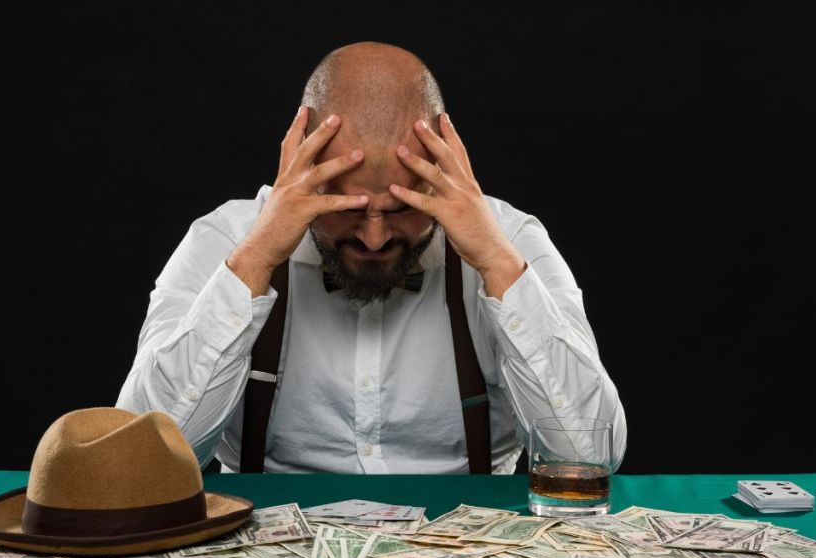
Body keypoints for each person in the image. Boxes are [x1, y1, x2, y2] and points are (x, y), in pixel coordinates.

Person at [116, 41, 627, 474]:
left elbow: (590, 457)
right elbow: (140, 460)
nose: (377, 238)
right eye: (344, 206)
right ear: (300, 163)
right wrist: (252, 264)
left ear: (443, 166)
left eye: (404, 208)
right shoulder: (224, 238)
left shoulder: (512, 239)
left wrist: (497, 265)